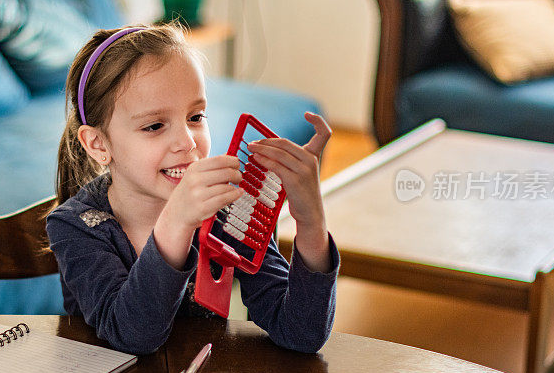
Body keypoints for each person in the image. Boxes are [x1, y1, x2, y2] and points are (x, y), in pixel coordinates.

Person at [46, 23, 339, 355]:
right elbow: (131, 336)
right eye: (155, 125)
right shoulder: (76, 226)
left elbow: (300, 333)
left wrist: (312, 224)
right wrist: (177, 221)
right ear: (98, 144)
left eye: (196, 117)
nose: (187, 143)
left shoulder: (227, 209)